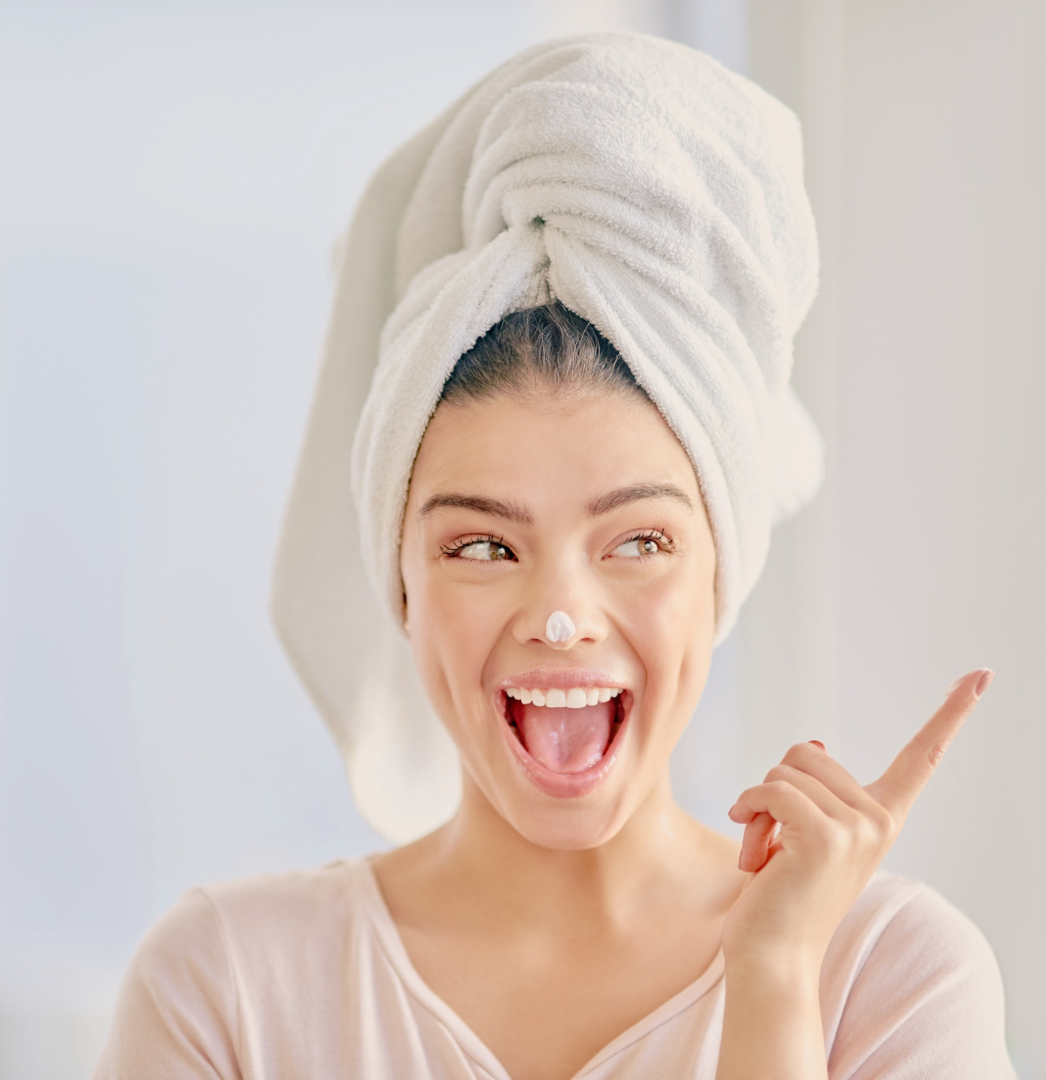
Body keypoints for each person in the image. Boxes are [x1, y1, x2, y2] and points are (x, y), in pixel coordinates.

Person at [93, 34, 1016, 1080]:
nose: (562, 614)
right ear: (402, 580)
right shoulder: (227, 991)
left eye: (638, 541)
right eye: (484, 544)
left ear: (723, 570)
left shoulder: (889, 979)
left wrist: (770, 982)